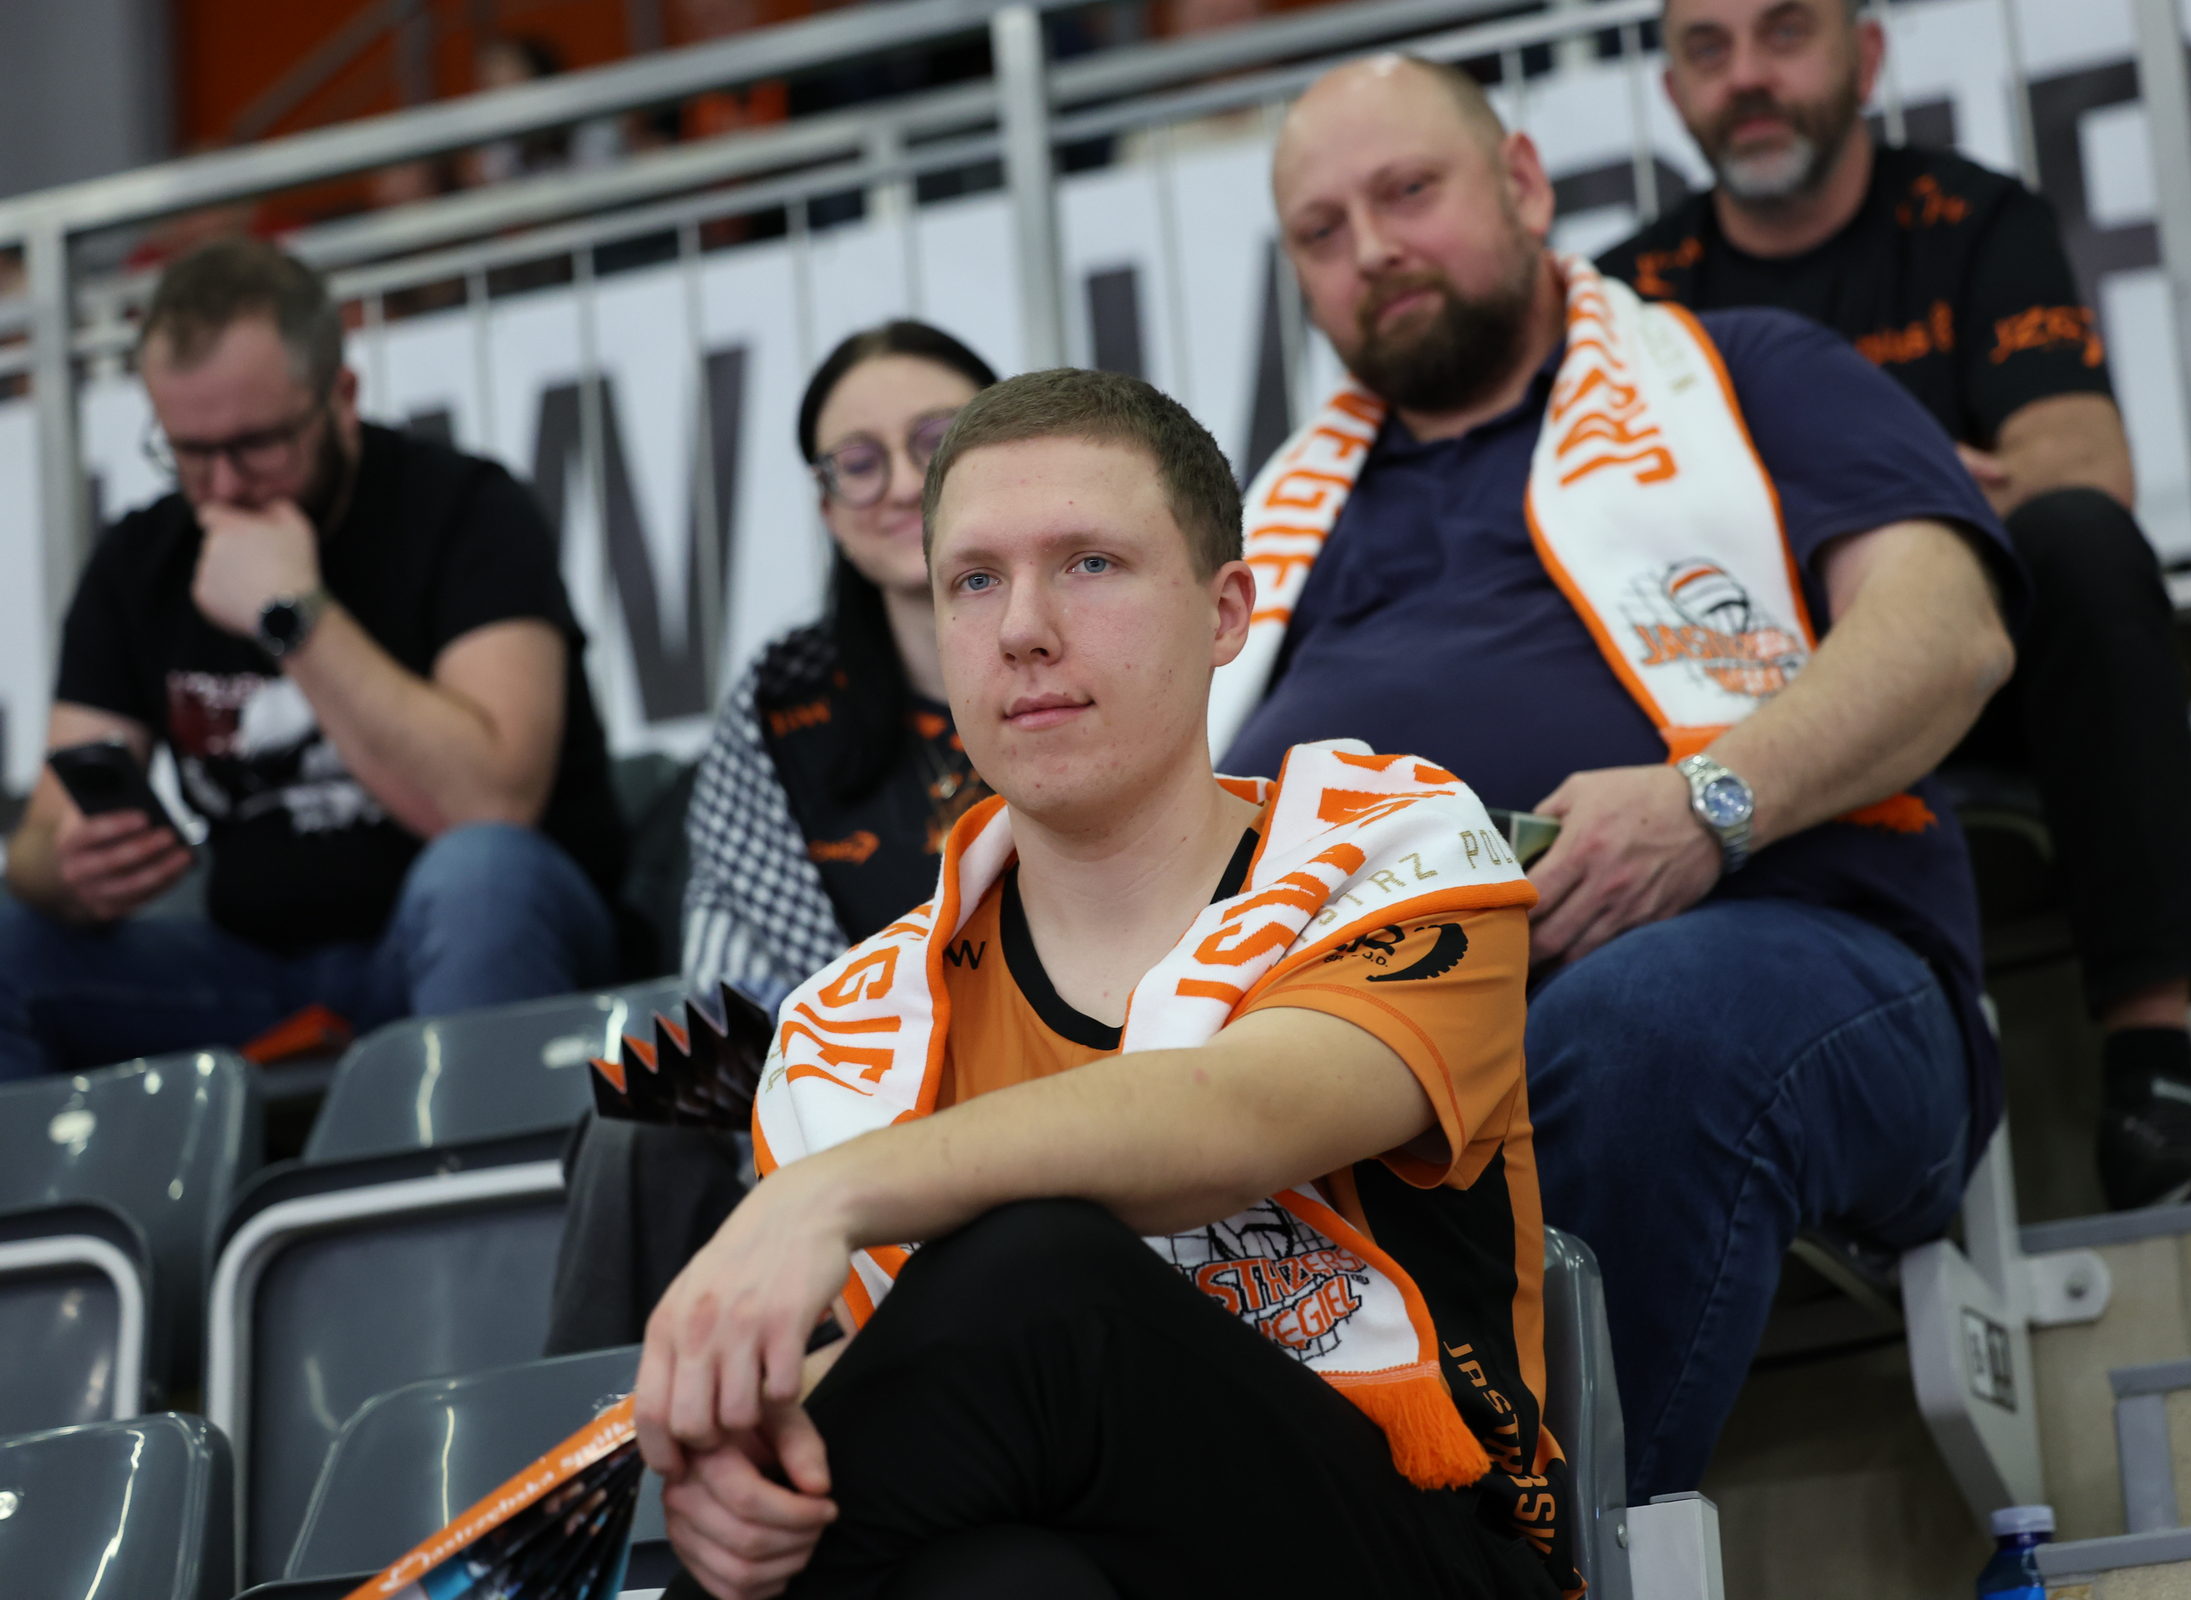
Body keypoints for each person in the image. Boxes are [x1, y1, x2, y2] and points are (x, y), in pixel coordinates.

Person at [638, 367, 1573, 1600]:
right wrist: (750, 1477)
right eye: (975, 581)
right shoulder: (846, 1025)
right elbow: (915, 1383)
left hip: (1414, 1555)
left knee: (1041, 1269)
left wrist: (822, 1199)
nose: (1022, 627)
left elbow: (1236, 1118)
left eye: (1089, 563)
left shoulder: (1391, 843)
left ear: (1227, 612)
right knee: (993, 1581)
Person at [1221, 55, 2018, 1501]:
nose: (1372, 250)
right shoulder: (1270, 519)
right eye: (1322, 232)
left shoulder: (1747, 369)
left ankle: (1533, 1554)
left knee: (1636, 1027)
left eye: (1409, 191)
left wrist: (1712, 803)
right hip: (1371, 1023)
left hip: (1790, 943)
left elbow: (1948, 631)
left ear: (1524, 185)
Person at [1596, 0, 2191, 1209]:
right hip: (1740, 691)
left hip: (1973, 674)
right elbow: (1607, 552)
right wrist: (1918, 480)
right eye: (1707, 48)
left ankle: (2153, 1072)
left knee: (2083, 545)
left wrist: (1797, 511)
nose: (1747, 76)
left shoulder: (1976, 218)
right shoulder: (1627, 294)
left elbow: (2077, 464)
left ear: (1866, 56)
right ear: (1673, 89)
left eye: (1784, 33)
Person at [0, 238, 624, 1080]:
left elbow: (490, 802)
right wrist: (67, 868)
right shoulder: (140, 561)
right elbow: (41, 835)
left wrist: (292, 618)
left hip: (475, 931)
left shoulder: (467, 510)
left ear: (342, 397)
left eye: (257, 445)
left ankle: (488, 1169)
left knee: (480, 876)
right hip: (252, 969)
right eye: (189, 451)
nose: (223, 486)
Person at [547, 321, 998, 1355]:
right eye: (858, 462)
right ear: (827, 506)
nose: (901, 483)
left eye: (935, 441)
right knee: (639, 1121)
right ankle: (596, 1435)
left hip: (1061, 1053)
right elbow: (737, 991)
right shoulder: (779, 699)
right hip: (842, 1082)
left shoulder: (1088, 642)